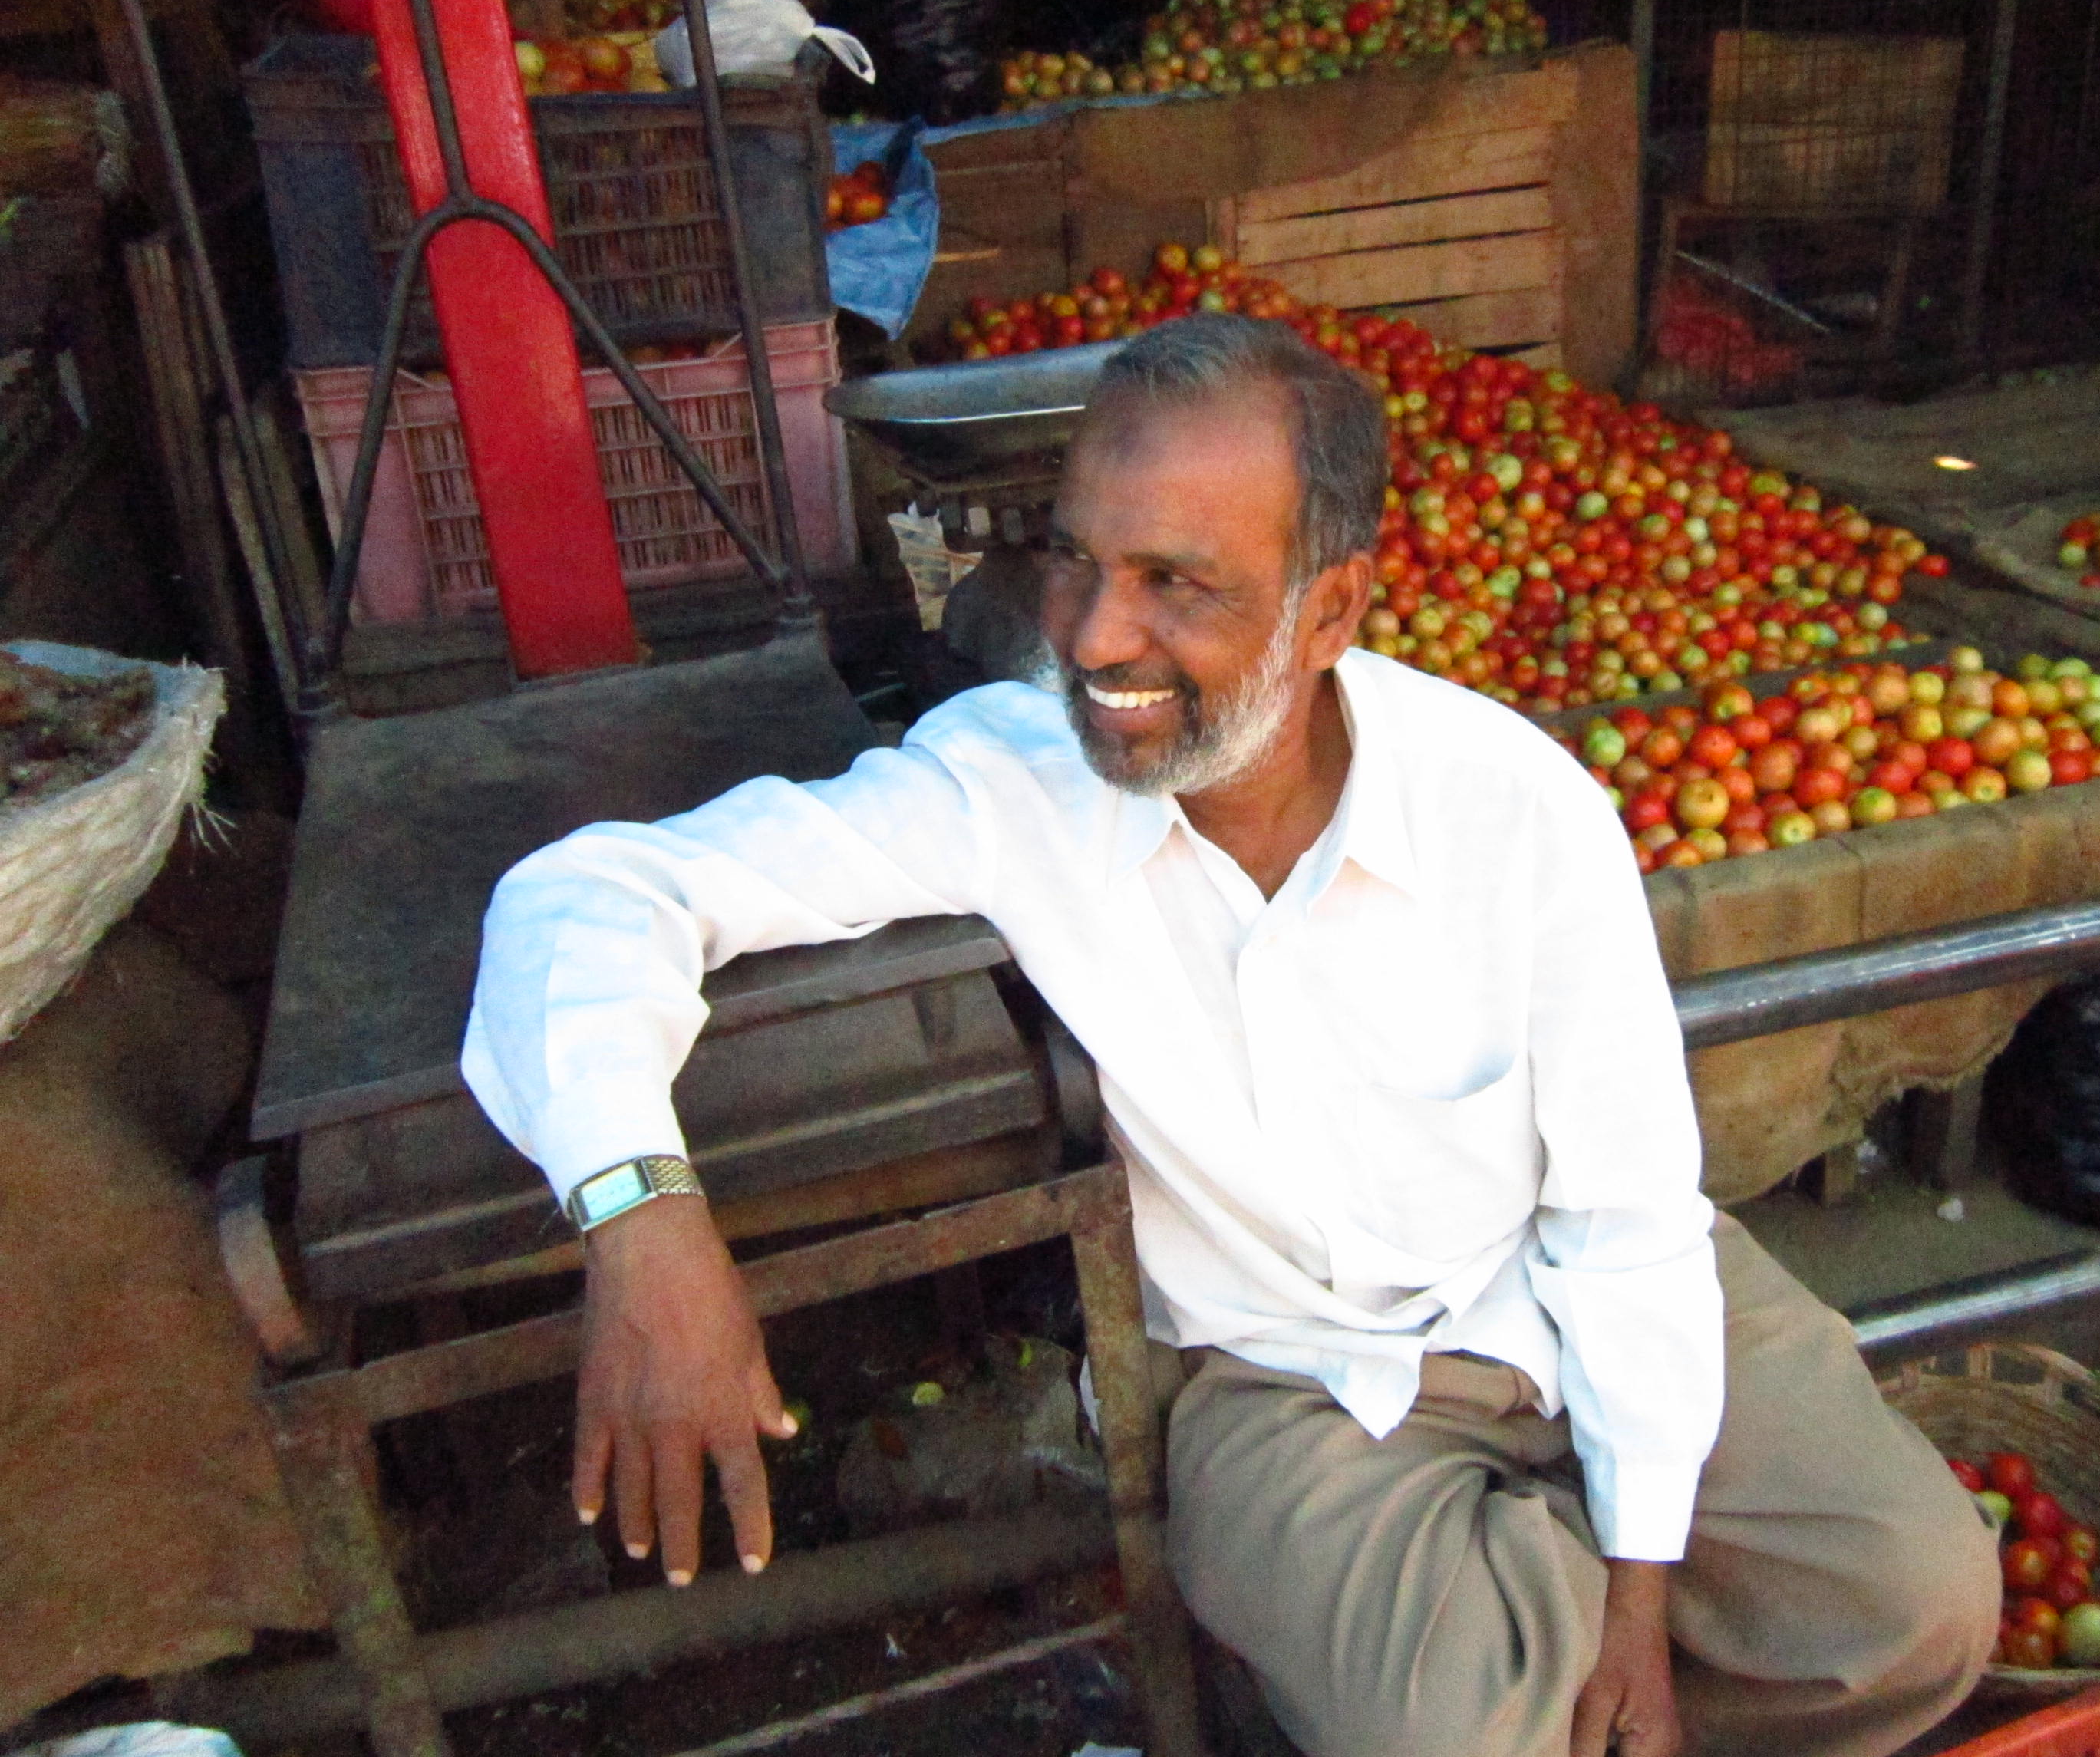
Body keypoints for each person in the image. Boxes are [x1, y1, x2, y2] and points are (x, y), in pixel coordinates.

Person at [464, 313, 1999, 1757]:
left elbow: (1626, 1220)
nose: (1097, 636)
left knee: (1920, 1611)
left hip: (1568, 1281)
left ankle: (1540, 1628)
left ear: (1332, 606)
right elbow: (590, 895)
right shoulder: (1014, 787)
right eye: (1077, 562)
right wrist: (641, 1217)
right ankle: (1504, 1643)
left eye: (1178, 585)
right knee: (1454, 1733)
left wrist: (1642, 1596)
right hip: (1292, 1380)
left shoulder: (1519, 810)